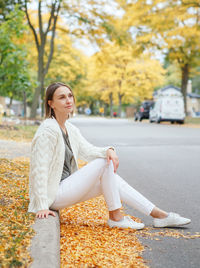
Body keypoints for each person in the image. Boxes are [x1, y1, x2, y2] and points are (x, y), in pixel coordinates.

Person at [28, 82, 191, 230]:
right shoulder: (48, 130)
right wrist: (42, 205)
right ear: (51, 103)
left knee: (112, 179)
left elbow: (88, 150)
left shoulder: (69, 128)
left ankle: (160, 216)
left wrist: (109, 150)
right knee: (104, 164)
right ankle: (116, 218)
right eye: (62, 97)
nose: (68, 100)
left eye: (70, 96)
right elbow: (39, 169)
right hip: (53, 195)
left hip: (65, 189)